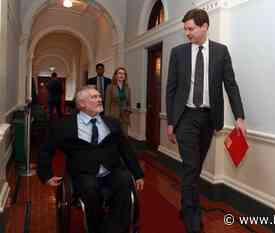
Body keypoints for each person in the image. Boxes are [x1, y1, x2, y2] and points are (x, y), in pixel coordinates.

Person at [166, 9, 246, 233]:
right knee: (191, 166)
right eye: (185, 29)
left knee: (195, 165)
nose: (187, 33)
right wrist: (171, 121)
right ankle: (193, 215)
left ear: (204, 27)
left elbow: (231, 85)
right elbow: (171, 89)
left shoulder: (221, 52)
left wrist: (239, 116)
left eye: (190, 29)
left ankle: (185, 203)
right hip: (185, 118)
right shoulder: (178, 53)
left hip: (209, 118)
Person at [37, 86, 144, 233]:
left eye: (99, 96)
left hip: (111, 171)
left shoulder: (112, 123)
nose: (100, 99)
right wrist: (46, 175)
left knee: (125, 180)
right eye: (94, 97)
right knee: (90, 186)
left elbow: (126, 150)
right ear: (82, 104)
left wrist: (137, 174)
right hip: (84, 173)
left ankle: (115, 229)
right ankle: (97, 228)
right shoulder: (64, 126)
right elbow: (46, 150)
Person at [105, 67, 132, 135]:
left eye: (123, 74)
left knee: (124, 134)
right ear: (115, 75)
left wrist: (128, 110)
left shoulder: (127, 88)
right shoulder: (110, 87)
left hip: (124, 116)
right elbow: (107, 103)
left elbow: (129, 102)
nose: (121, 75)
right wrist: (107, 117)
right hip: (113, 115)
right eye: (119, 73)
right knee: (114, 135)